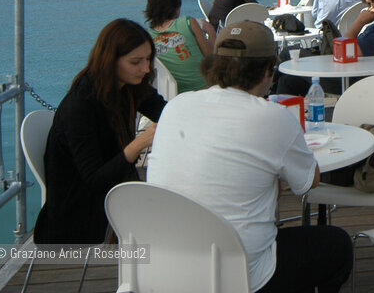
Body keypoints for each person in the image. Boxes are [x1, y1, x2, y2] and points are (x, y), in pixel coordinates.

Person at [148, 21, 352, 293]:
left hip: (170, 268)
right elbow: (309, 181)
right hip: (240, 275)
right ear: (268, 70)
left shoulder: (175, 107)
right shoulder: (273, 116)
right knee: (336, 246)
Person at [34, 19, 166, 243]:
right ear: (110, 61)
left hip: (115, 199)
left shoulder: (128, 86)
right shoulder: (80, 106)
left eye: (148, 59)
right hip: (80, 221)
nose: (146, 69)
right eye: (136, 62)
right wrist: (141, 142)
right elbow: (95, 179)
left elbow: (166, 112)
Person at [145, 0, 214, 92]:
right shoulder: (188, 22)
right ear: (176, 8)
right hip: (204, 88)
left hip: (172, 93)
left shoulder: (147, 37)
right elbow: (211, 58)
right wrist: (211, 31)